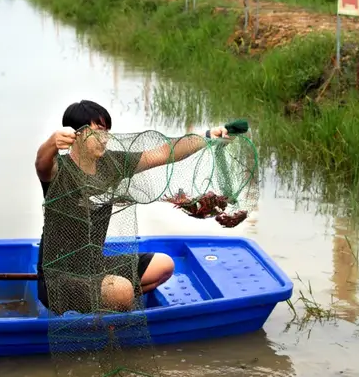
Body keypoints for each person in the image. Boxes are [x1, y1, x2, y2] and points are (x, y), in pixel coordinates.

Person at [34, 100, 229, 315]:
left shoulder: (111, 164)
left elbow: (164, 153)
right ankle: (110, 302)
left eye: (107, 132)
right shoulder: (58, 171)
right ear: (76, 134)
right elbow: (40, 163)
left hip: (95, 265)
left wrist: (207, 138)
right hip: (59, 278)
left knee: (164, 265)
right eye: (98, 131)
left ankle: (105, 301)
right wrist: (52, 142)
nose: (105, 139)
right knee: (122, 290)